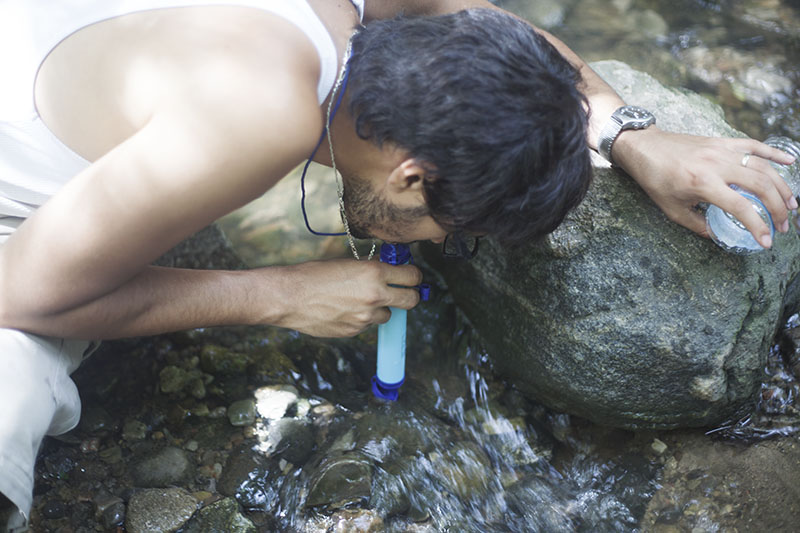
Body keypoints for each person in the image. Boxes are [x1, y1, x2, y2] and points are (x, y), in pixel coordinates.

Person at [0, 0, 795, 529]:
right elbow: (18, 291)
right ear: (410, 173)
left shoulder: (361, 16)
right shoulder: (259, 116)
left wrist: (631, 134)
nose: (439, 241)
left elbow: (482, 22)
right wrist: (279, 294)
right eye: (446, 224)